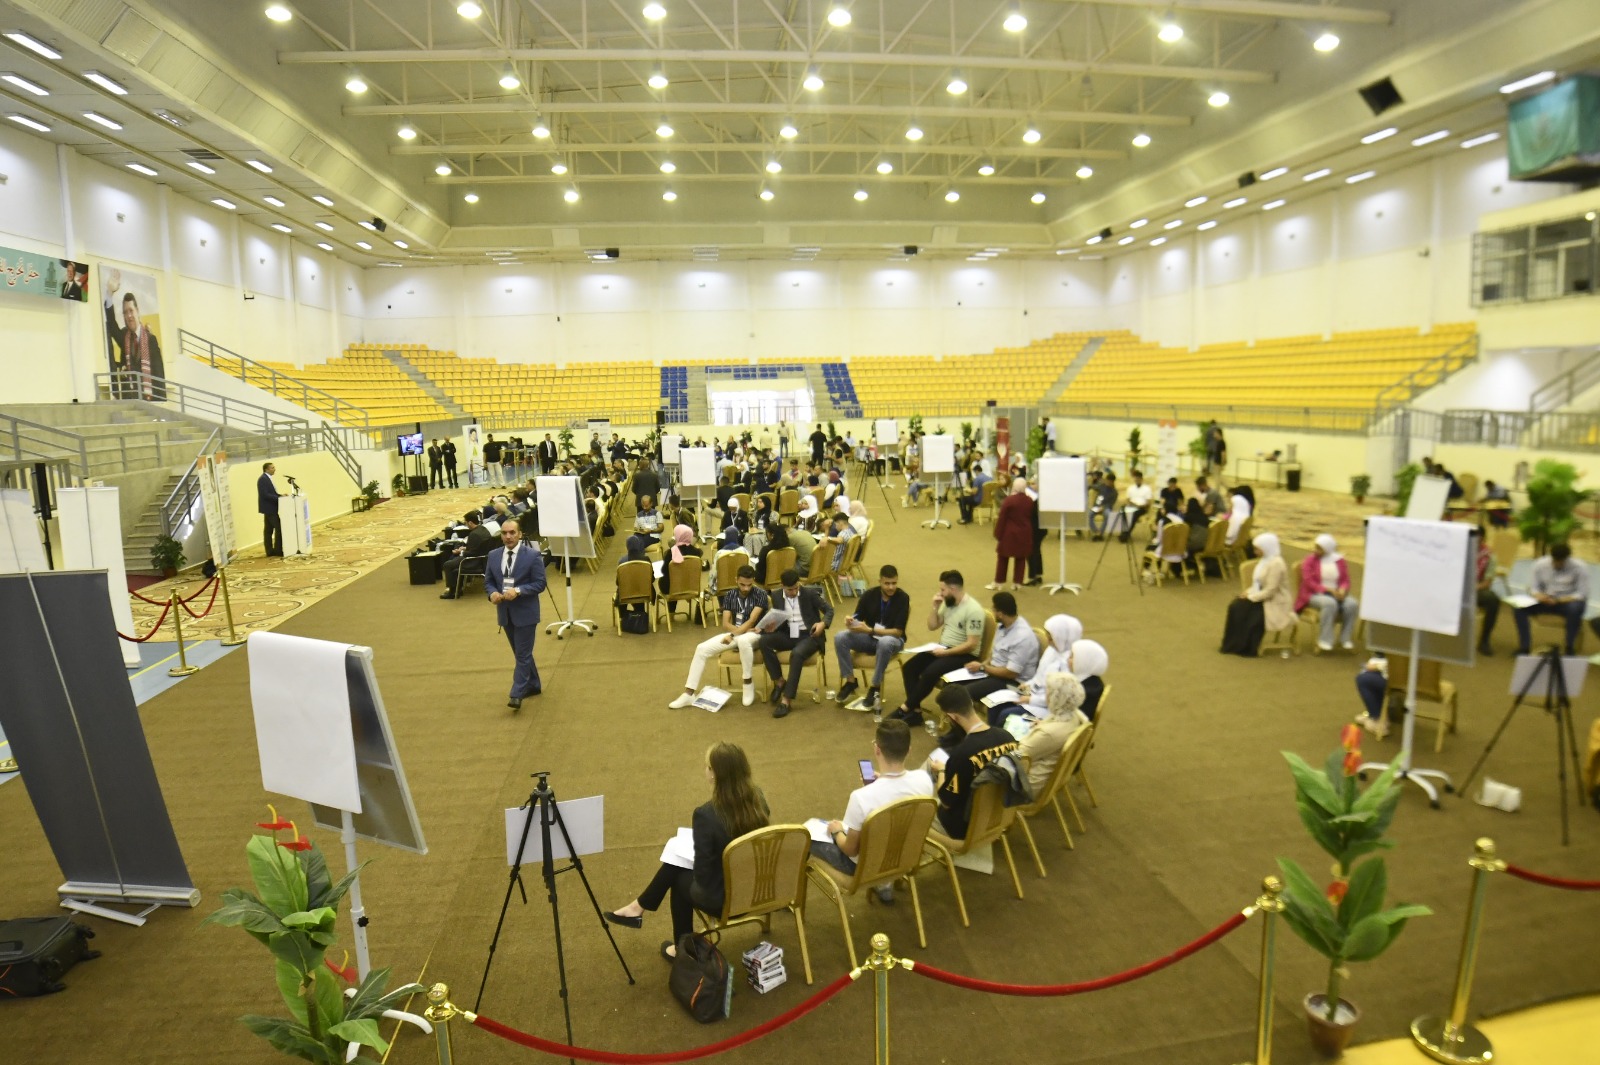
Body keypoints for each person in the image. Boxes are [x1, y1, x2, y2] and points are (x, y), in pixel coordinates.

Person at [606, 742, 770, 960]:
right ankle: (638, 907)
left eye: (707, 766)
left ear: (715, 774)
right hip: (762, 889)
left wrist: (694, 859)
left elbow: (703, 877)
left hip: (729, 900)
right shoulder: (758, 797)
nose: (705, 770)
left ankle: (681, 949)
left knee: (678, 876)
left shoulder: (706, 814)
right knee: (677, 865)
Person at [810, 720, 935, 901]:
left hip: (864, 868)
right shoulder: (924, 780)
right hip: (906, 856)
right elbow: (898, 793)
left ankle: (789, 899)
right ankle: (884, 885)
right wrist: (883, 779)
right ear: (909, 750)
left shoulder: (861, 798)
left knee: (808, 834)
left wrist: (837, 831)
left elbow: (851, 850)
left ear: (877, 749)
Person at [887, 570, 986, 729]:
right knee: (909, 668)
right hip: (944, 648)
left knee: (930, 673)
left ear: (953, 589)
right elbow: (932, 626)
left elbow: (971, 644)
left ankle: (904, 708)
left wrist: (945, 653)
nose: (940, 593)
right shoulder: (948, 602)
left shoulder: (974, 610)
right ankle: (915, 712)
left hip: (964, 654)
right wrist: (935, 607)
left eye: (943, 589)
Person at [668, 565, 769, 708]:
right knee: (701, 648)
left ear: (753, 581)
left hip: (755, 634)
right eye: (742, 584)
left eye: (749, 585)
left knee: (744, 640)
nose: (746, 588)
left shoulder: (761, 594)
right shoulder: (730, 595)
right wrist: (736, 633)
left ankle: (747, 682)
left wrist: (734, 634)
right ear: (736, 580)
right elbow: (726, 624)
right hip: (737, 633)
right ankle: (689, 694)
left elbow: (752, 620)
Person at [927, 685, 1020, 839]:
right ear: (971, 704)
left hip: (963, 827)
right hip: (998, 815)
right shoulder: (1008, 737)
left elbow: (946, 802)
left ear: (953, 717)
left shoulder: (962, 753)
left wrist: (943, 770)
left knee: (918, 810)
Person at [484, 516, 547, 710]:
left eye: (512, 532)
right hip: (505, 613)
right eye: (505, 533)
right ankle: (534, 684)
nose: (508, 536)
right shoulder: (493, 555)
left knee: (522, 654)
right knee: (521, 653)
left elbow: (540, 583)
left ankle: (516, 693)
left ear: (520, 534)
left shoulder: (532, 556)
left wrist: (519, 591)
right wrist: (492, 593)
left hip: (526, 613)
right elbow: (489, 581)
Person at [758, 568, 834, 718]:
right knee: (764, 641)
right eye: (789, 590)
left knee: (797, 654)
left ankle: (786, 700)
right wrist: (770, 626)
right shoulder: (776, 595)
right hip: (789, 633)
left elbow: (829, 610)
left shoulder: (810, 594)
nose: (793, 592)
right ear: (782, 586)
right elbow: (778, 618)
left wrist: (823, 624)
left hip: (810, 635)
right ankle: (779, 681)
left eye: (795, 588)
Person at [834, 565, 911, 711]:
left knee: (885, 642)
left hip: (893, 640)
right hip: (870, 638)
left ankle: (875, 686)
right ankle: (850, 681)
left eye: (894, 583)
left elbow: (898, 632)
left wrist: (870, 630)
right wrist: (850, 621)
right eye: (887, 583)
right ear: (880, 581)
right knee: (840, 637)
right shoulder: (869, 595)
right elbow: (858, 617)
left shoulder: (903, 598)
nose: (891, 587)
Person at [985, 613, 1082, 727]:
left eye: (1051, 636)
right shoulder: (1051, 650)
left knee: (1006, 715)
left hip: (1046, 708)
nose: (1048, 639)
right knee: (994, 704)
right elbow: (1039, 676)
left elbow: (1056, 699)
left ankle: (1000, 736)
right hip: (1032, 694)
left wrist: (1030, 700)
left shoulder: (1070, 663)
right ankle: (992, 733)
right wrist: (1028, 684)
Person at [947, 591, 1040, 705]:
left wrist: (982, 668)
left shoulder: (1022, 637)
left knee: (962, 695)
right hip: (994, 672)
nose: (992, 611)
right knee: (952, 687)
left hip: (1013, 682)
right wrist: (982, 665)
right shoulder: (1003, 625)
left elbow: (1011, 673)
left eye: (994, 609)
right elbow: (994, 653)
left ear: (1000, 614)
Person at [1018, 673, 1090, 795]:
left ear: (1056, 698)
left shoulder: (1049, 733)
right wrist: (1043, 724)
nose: (1046, 695)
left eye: (1048, 692)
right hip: (1047, 774)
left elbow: (1018, 755)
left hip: (1028, 785)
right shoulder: (1074, 714)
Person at [1220, 533, 1291, 657]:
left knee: (1252, 615)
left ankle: (1247, 648)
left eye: (1258, 549)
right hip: (1261, 596)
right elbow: (1258, 583)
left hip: (1274, 601)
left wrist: (1251, 597)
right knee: (1236, 607)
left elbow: (1270, 591)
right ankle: (1233, 645)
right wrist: (1248, 592)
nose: (1255, 552)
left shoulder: (1276, 564)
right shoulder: (1264, 561)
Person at [1513, 541, 1589, 655]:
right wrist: (1539, 596)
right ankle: (1524, 647)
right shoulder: (1540, 565)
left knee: (1575, 609)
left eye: (1560, 562)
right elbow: (1533, 587)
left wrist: (1559, 600)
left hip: (1566, 602)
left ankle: (1569, 647)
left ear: (1567, 559)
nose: (1557, 564)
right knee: (1519, 608)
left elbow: (1582, 594)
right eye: (1555, 561)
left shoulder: (1580, 568)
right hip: (1544, 600)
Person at [103, 271, 166, 399]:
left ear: (137, 311)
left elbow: (159, 374)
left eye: (131, 310)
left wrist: (161, 401)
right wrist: (109, 293)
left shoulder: (151, 340)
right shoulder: (123, 336)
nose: (129, 315)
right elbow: (112, 324)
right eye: (125, 312)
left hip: (149, 400)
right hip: (130, 400)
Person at [1297, 534, 1359, 651]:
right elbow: (1309, 582)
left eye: (1319, 548)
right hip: (1315, 594)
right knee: (1330, 603)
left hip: (1336, 592)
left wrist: (1342, 589)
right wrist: (1328, 590)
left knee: (1352, 604)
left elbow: (1345, 579)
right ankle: (1325, 639)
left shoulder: (1339, 561)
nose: (1316, 550)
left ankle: (1345, 638)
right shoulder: (1310, 560)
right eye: (1316, 547)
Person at [990, 478, 1035, 590]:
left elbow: (1002, 518)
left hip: (1009, 533)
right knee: (1021, 558)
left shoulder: (1009, 500)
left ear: (1014, 487)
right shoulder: (1029, 500)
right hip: (1025, 532)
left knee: (1003, 557)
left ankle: (999, 582)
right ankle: (1017, 583)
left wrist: (998, 533)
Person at [440, 512, 495, 598]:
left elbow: (472, 553)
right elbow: (477, 548)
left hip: (473, 561)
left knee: (447, 565)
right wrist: (465, 548)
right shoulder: (483, 529)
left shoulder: (474, 534)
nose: (466, 525)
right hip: (483, 559)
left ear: (470, 522)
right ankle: (457, 589)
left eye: (465, 523)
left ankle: (452, 592)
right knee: (453, 566)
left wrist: (460, 552)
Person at [1069, 638, 1110, 720]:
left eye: (1072, 657)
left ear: (1083, 661)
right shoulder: (1083, 678)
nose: (1068, 660)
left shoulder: (1089, 691)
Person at [658, 524, 702, 595]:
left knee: (663, 580)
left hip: (672, 588)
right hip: (691, 586)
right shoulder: (697, 552)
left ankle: (672, 602)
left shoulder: (670, 553)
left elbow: (663, 570)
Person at [1355, 656, 1391, 739]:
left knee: (1363, 679)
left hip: (1403, 680)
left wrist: (1378, 666)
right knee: (1371, 675)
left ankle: (1377, 719)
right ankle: (1381, 716)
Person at [1475, 533, 1500, 655]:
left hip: (1476, 589)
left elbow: (1487, 583)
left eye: (1478, 539)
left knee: (1492, 599)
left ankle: (1484, 640)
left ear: (1483, 539)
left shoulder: (1489, 556)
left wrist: (1473, 588)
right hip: (1454, 588)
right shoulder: (1459, 551)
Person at [258, 461, 285, 557]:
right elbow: (265, 494)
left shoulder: (267, 478)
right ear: (266, 469)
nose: (274, 469)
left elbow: (272, 493)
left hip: (270, 508)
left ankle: (270, 551)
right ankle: (277, 550)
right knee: (279, 528)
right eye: (272, 468)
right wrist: (278, 498)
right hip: (269, 508)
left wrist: (280, 495)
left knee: (268, 530)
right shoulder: (263, 479)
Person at [1119, 469, 1153, 542]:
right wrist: (1133, 504)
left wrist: (1141, 506)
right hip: (1132, 506)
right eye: (1136, 478)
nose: (1137, 480)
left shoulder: (1147, 489)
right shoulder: (1131, 488)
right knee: (1122, 511)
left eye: (1138, 479)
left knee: (1134, 515)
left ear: (1141, 479)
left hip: (1142, 508)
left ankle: (1126, 534)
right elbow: (1128, 499)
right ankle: (1124, 532)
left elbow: (1148, 502)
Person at [1088, 472, 1117, 540]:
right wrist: (1089, 487)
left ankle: (1100, 533)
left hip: (1106, 508)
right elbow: (1092, 486)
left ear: (1112, 482)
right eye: (1107, 480)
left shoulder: (1114, 492)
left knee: (1108, 515)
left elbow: (1111, 503)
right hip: (1097, 507)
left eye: (1109, 481)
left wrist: (1103, 507)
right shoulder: (1102, 486)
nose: (1107, 482)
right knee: (1089, 514)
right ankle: (1096, 532)